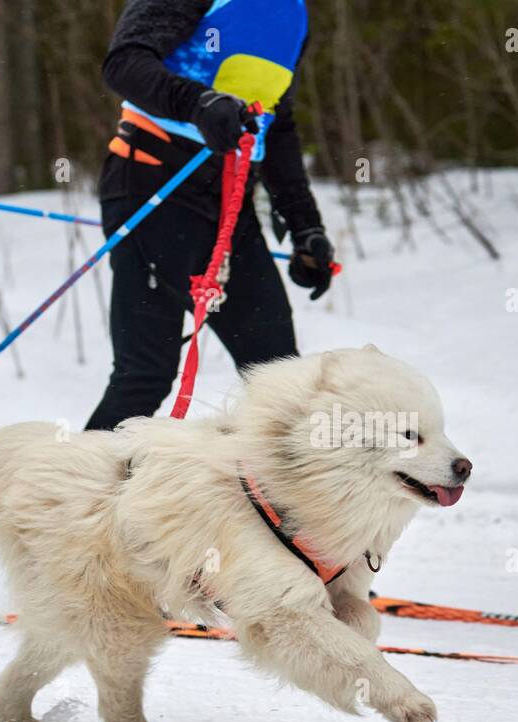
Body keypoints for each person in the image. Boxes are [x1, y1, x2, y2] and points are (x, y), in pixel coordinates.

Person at [86, 0, 335, 431]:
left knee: (279, 377)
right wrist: (199, 102)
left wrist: (305, 225)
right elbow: (125, 62)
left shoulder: (293, 13)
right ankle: (73, 495)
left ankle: (269, 498)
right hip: (154, 182)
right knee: (145, 376)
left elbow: (278, 122)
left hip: (230, 202)